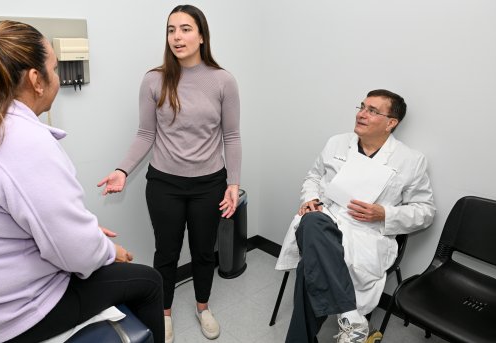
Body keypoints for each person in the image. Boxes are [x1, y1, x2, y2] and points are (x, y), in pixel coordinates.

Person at [0, 20, 164, 343]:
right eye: (54, 69)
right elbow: (78, 254)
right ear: (36, 80)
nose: (57, 77)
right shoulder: (18, 139)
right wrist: (111, 251)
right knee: (149, 282)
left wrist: (80, 231)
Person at [98, 4, 242, 342]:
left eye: (186, 29)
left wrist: (233, 183)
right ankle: (163, 314)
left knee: (205, 251)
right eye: (171, 29)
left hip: (210, 183)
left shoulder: (223, 81)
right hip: (164, 183)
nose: (177, 36)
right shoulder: (154, 79)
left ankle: (203, 307)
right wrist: (122, 169)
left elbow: (231, 136)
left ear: (202, 35)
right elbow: (145, 133)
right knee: (167, 251)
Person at [276, 89, 435, 343]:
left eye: (372, 111)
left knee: (311, 265)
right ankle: (352, 318)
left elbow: (426, 212)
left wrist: (384, 213)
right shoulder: (337, 143)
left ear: (391, 123)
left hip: (367, 234)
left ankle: (329, 328)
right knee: (313, 220)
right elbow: (313, 177)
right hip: (326, 218)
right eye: (361, 107)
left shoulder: (410, 160)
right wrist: (311, 199)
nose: (361, 114)